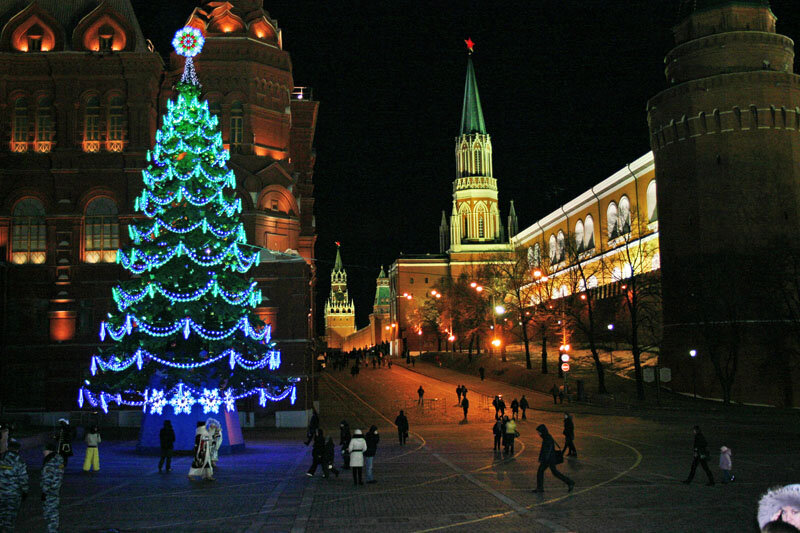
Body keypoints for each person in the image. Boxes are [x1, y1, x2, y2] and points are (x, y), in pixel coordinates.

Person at [532, 424, 574, 493]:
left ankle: (540, 488)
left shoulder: (547, 438)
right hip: (549, 458)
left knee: (542, 472)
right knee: (553, 472)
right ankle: (570, 482)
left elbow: (548, 450)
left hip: (548, 459)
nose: (538, 433)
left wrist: (544, 459)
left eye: (539, 432)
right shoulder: (546, 437)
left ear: (542, 431)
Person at [0, 438, 28, 532]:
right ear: (18, 449)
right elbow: (23, 479)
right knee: (10, 517)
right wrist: (25, 491)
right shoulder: (19, 462)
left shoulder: (1, 459)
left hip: (1, 493)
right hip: (13, 494)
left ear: (8, 448)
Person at [41, 442, 64, 533]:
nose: (43, 453)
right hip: (55, 490)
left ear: (48, 451)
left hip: (50, 492)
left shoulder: (50, 462)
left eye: (44, 451)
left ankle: (52, 530)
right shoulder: (58, 459)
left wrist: (45, 491)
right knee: (53, 513)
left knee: (50, 514)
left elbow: (47, 479)